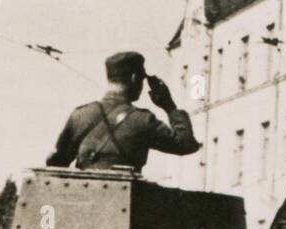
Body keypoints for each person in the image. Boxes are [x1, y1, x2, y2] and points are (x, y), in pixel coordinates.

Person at [46, 51, 200, 171]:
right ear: (134, 78)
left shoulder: (80, 115)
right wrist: (170, 107)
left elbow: (56, 164)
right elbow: (186, 145)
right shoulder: (143, 120)